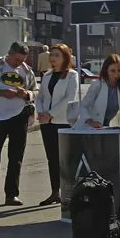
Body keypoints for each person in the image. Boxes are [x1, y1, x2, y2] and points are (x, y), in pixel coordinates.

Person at [0, 42, 36, 208]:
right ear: (9, 54)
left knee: (16, 158)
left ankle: (12, 195)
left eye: (22, 60)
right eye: (16, 60)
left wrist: (27, 94)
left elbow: (35, 91)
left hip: (19, 116)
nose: (19, 63)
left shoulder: (26, 70)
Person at [35, 44, 80, 206]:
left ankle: (69, 191)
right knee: (52, 158)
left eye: (57, 55)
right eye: (51, 55)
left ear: (65, 58)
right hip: (46, 123)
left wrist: (50, 113)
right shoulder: (47, 75)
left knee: (65, 159)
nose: (53, 58)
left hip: (63, 122)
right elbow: (40, 96)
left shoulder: (72, 75)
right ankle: (55, 192)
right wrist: (41, 112)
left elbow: (69, 98)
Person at [79, 54, 120, 129]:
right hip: (92, 128)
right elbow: (83, 106)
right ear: (106, 70)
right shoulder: (97, 84)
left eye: (119, 71)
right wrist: (90, 121)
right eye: (112, 71)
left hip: (111, 127)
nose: (116, 75)